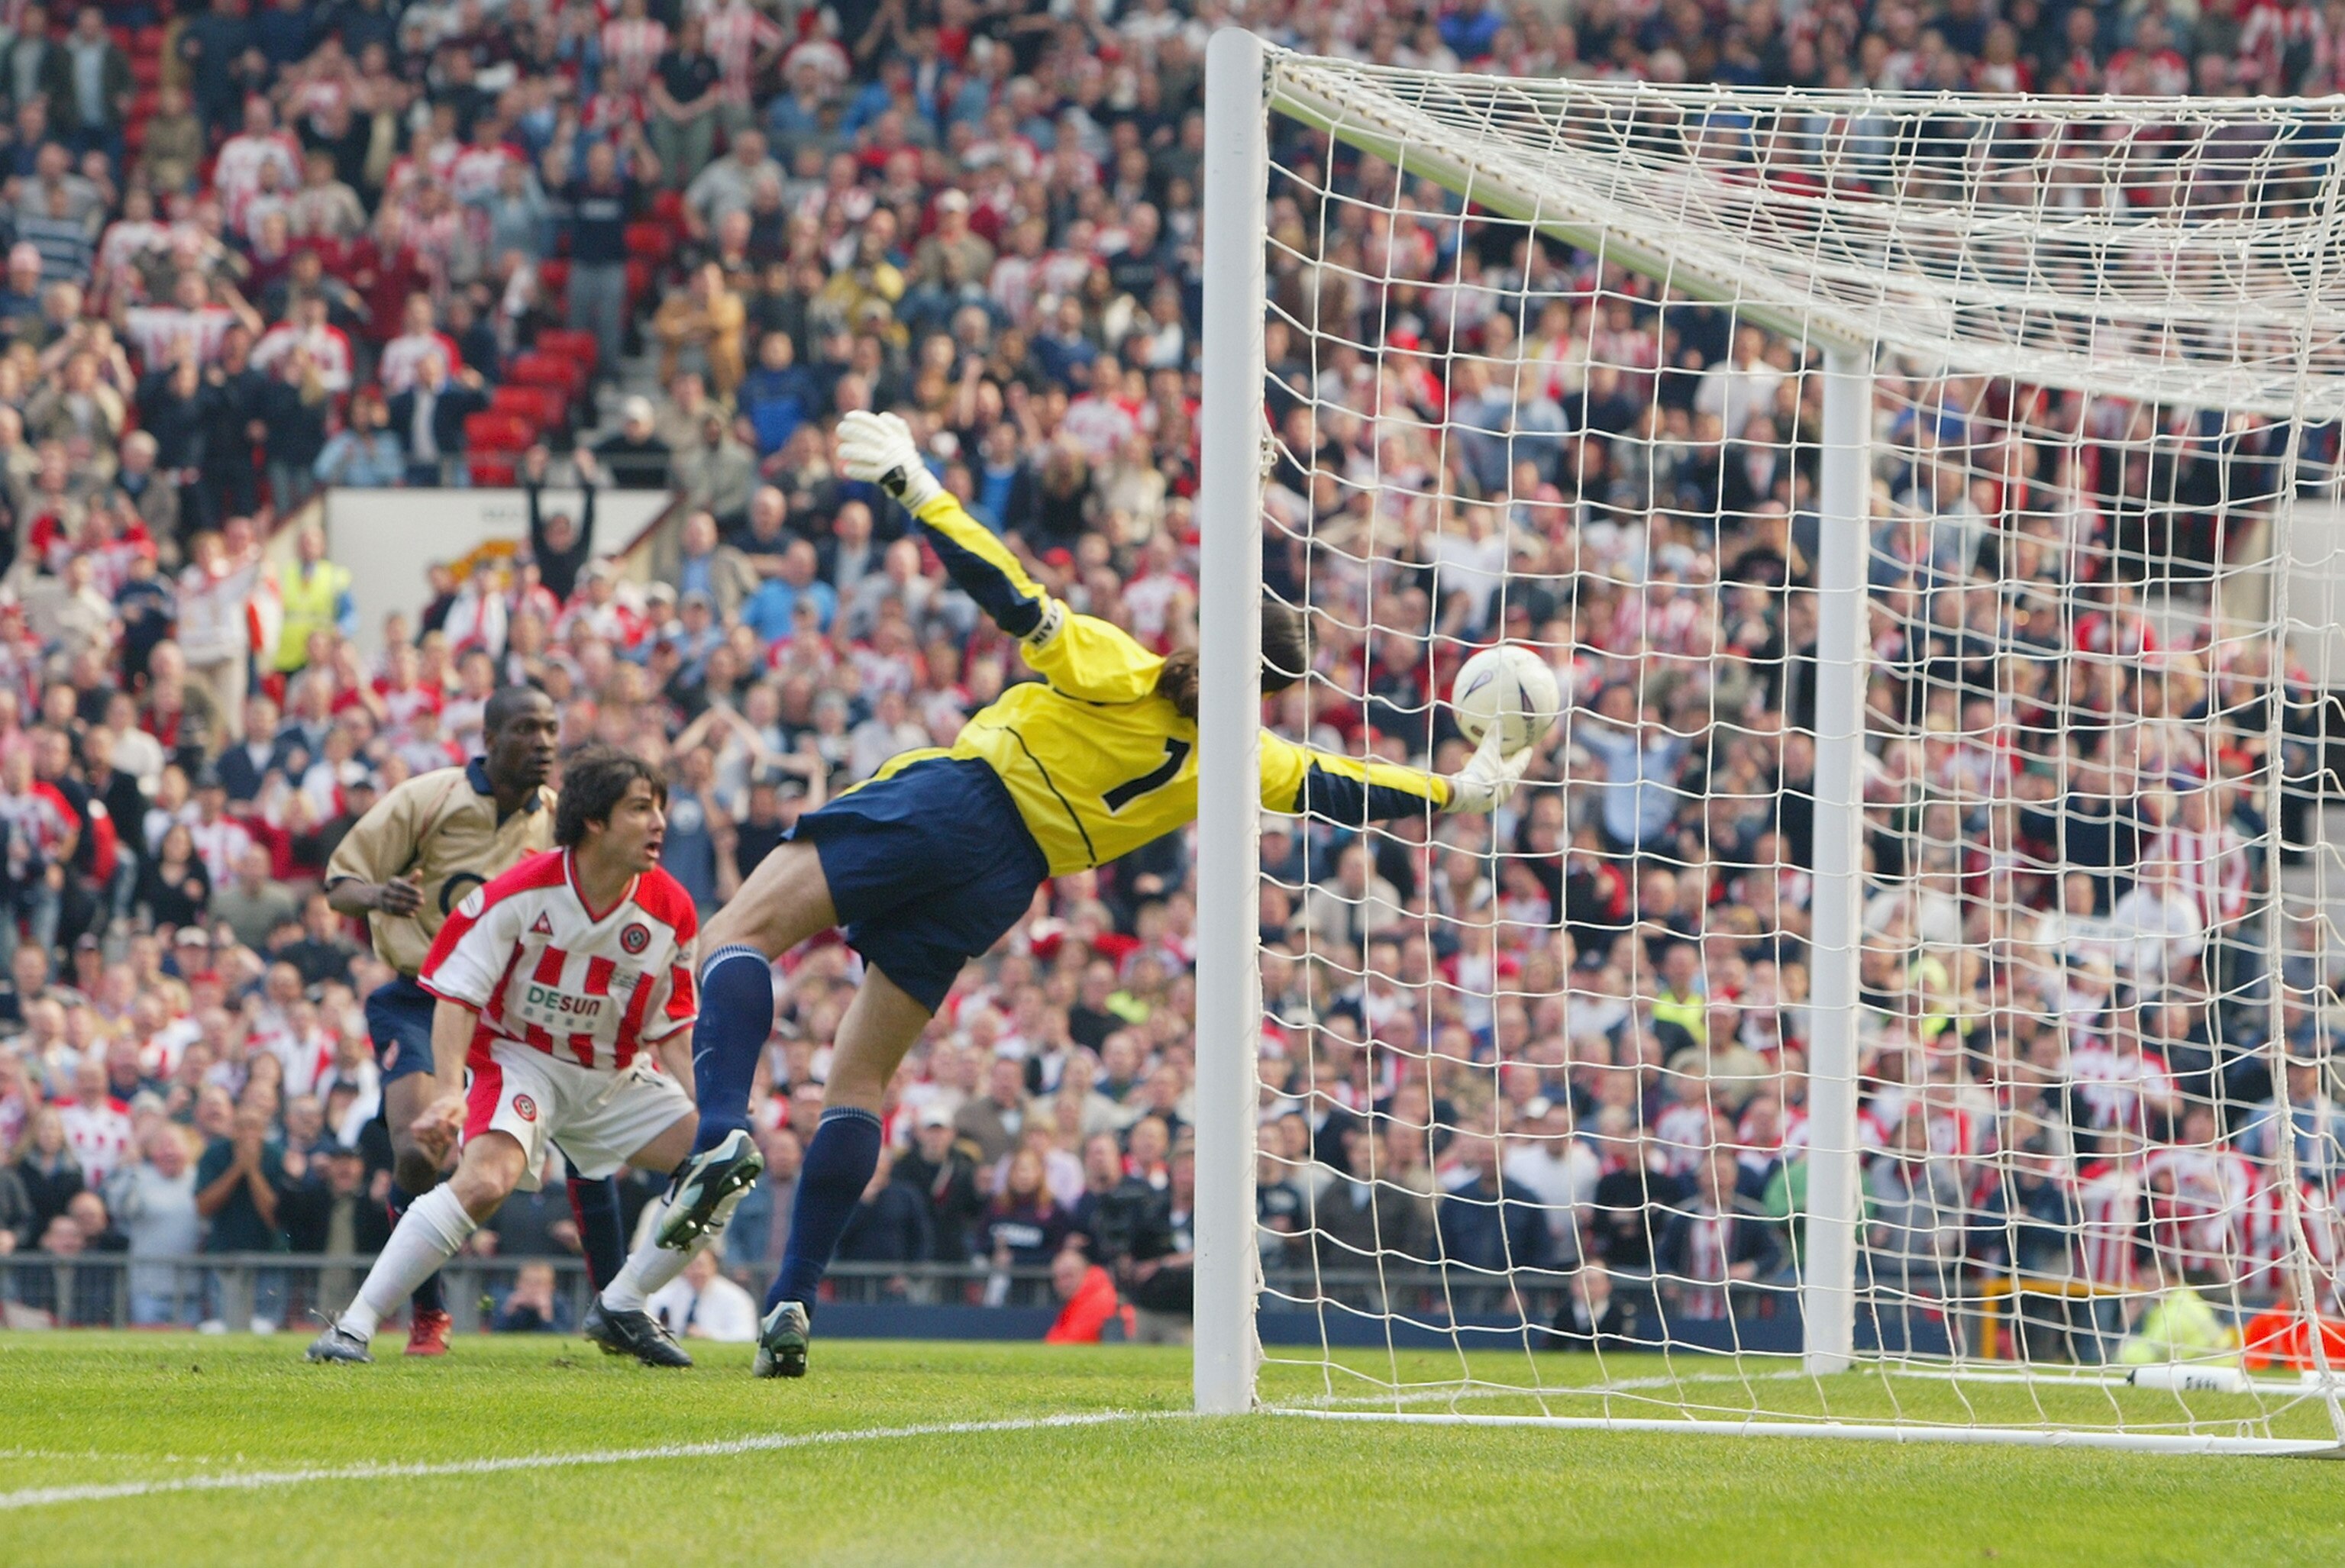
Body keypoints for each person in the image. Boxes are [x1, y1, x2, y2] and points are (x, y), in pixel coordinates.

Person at [643, 412, 1536, 1379]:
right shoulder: (1246, 755)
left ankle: (723, 1124)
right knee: (858, 1083)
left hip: (959, 799)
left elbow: (1010, 593)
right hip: (1004, 880)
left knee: (736, 928)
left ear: (1208, 633)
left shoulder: (1130, 671)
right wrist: (1461, 789)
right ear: (1274, 688)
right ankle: (790, 1301)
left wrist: (915, 484)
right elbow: (1347, 783)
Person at [307, 747, 708, 1368]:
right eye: (640, 809)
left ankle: (624, 1302)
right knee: (486, 1181)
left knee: (726, 1159)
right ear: (595, 821)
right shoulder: (519, 892)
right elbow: (456, 994)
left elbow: (674, 1027)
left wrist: (710, 1107)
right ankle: (353, 1327)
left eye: (660, 809)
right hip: (524, 1060)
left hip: (612, 1076)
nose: (659, 823)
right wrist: (449, 1091)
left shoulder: (673, 909)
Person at [647, 1245, 760, 1341]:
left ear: (713, 1266)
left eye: (700, 1265)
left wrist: (708, 1336)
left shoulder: (735, 1297)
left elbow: (746, 1336)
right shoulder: (668, 1292)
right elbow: (649, 1320)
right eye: (691, 1266)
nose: (696, 1272)